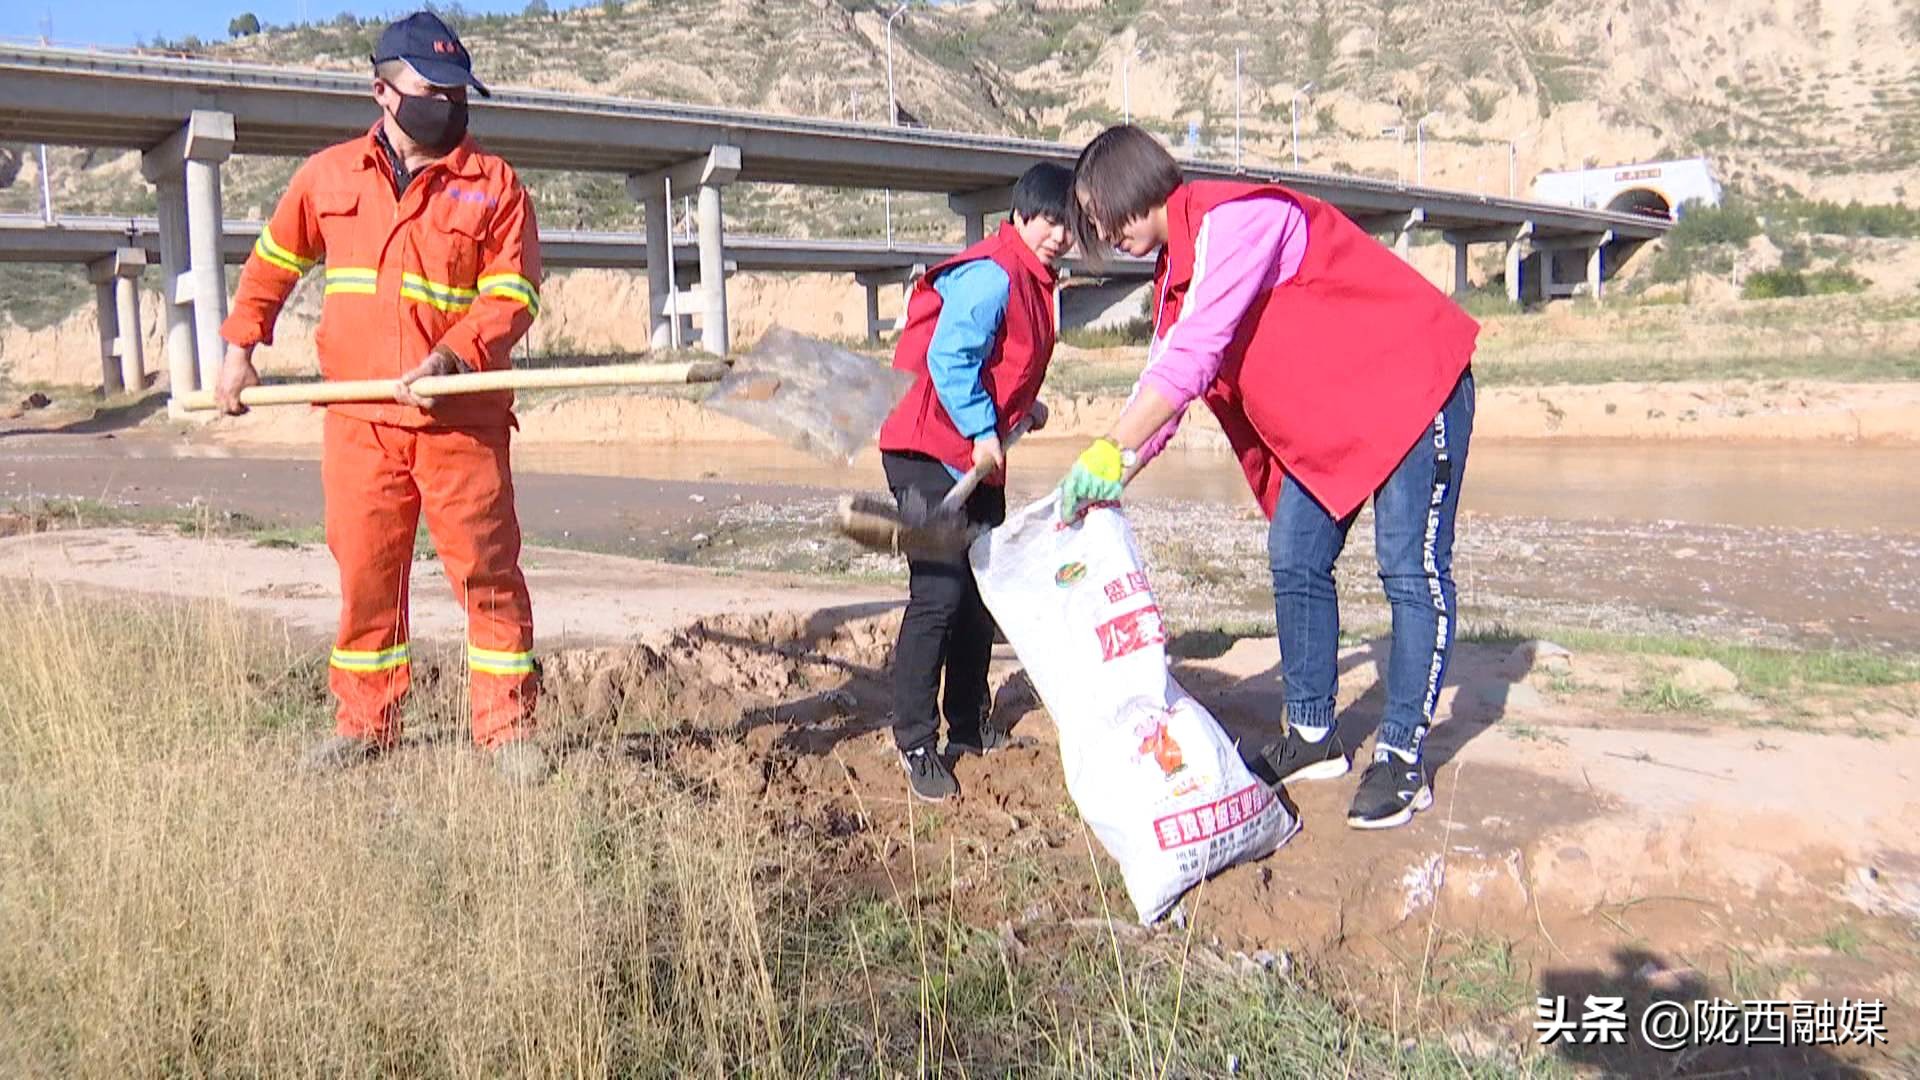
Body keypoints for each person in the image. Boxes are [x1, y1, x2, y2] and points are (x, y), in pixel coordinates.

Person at [1056, 125, 1478, 830]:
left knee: (1409, 568)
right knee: (1296, 555)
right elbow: (1164, 385)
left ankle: (1404, 753)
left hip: (1412, 386)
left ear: (1128, 192)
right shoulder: (1175, 276)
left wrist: (1108, 446)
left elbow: (1192, 355)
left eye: (1096, 215)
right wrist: (1114, 467)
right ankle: (1313, 736)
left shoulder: (1239, 220)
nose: (1097, 232)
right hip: (1339, 420)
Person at [214, 11, 547, 783]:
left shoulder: (494, 185)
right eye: (433, 91)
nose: (450, 106)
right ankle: (365, 723)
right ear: (383, 92)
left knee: (488, 574)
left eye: (460, 93)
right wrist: (238, 353)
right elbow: (270, 266)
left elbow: (513, 295)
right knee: (366, 573)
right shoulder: (327, 177)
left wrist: (453, 357)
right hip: (360, 419)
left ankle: (506, 730)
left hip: (459, 419)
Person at [874, 162, 1076, 801]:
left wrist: (1020, 412)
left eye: (1069, 225)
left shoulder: (1035, 278)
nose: (1059, 235)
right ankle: (913, 739)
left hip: (973, 453)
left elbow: (1001, 361)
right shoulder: (992, 273)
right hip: (923, 447)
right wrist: (985, 426)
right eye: (1049, 219)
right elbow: (949, 357)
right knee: (938, 592)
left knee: (980, 593)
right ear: (1021, 215)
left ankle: (967, 723)